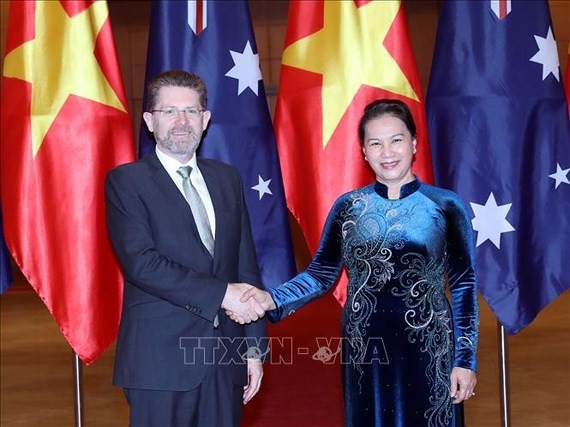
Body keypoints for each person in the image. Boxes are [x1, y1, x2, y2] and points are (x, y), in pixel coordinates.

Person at [235, 99, 479, 426]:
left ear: (414, 143)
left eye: (396, 140)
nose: (387, 152)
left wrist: (465, 360)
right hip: (367, 348)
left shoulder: (446, 206)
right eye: (375, 143)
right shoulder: (348, 207)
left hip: (430, 348)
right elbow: (321, 274)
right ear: (364, 151)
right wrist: (270, 298)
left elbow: (463, 286)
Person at [105, 69, 267, 427]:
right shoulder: (126, 182)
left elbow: (246, 266)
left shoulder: (227, 178)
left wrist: (254, 349)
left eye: (191, 111)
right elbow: (142, 264)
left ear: (205, 119)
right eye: (169, 111)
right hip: (159, 363)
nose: (181, 121)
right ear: (150, 121)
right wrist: (223, 294)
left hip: (226, 360)